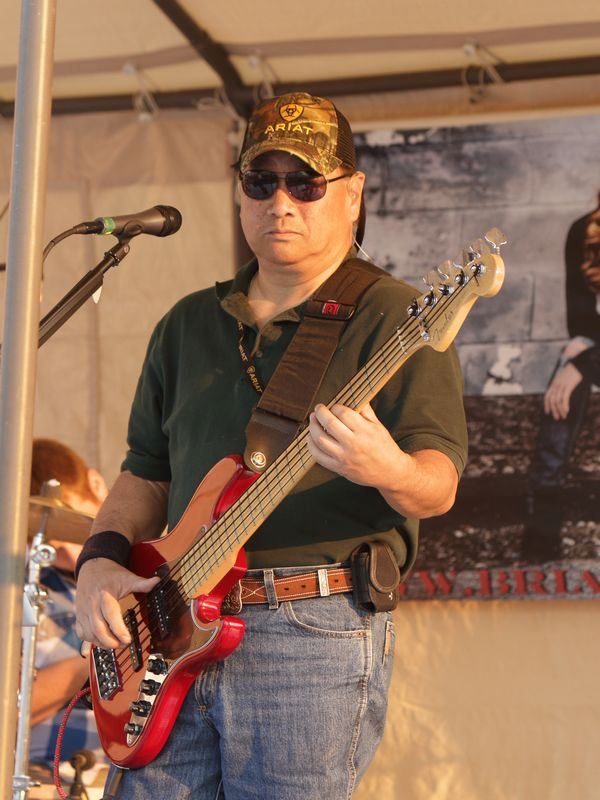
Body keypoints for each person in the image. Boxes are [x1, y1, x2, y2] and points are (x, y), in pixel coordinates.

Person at [75, 92, 468, 800]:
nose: (280, 201)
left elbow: (438, 484)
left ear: (352, 197)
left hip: (309, 630)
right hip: (171, 623)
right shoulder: (188, 323)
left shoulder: (396, 317)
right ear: (238, 195)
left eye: (306, 183)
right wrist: (99, 563)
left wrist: (389, 468)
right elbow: (145, 473)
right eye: (261, 182)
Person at [523, 198, 600, 561]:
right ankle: (543, 529)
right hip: (594, 342)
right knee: (562, 385)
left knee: (575, 365)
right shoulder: (583, 231)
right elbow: (580, 319)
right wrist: (581, 361)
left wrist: (585, 364)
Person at [28, 438, 108, 771]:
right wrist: (95, 655)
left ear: (96, 484)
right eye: (48, 538)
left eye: (72, 521)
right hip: (57, 771)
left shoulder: (152, 566)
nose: (69, 552)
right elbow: (13, 708)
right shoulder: (28, 587)